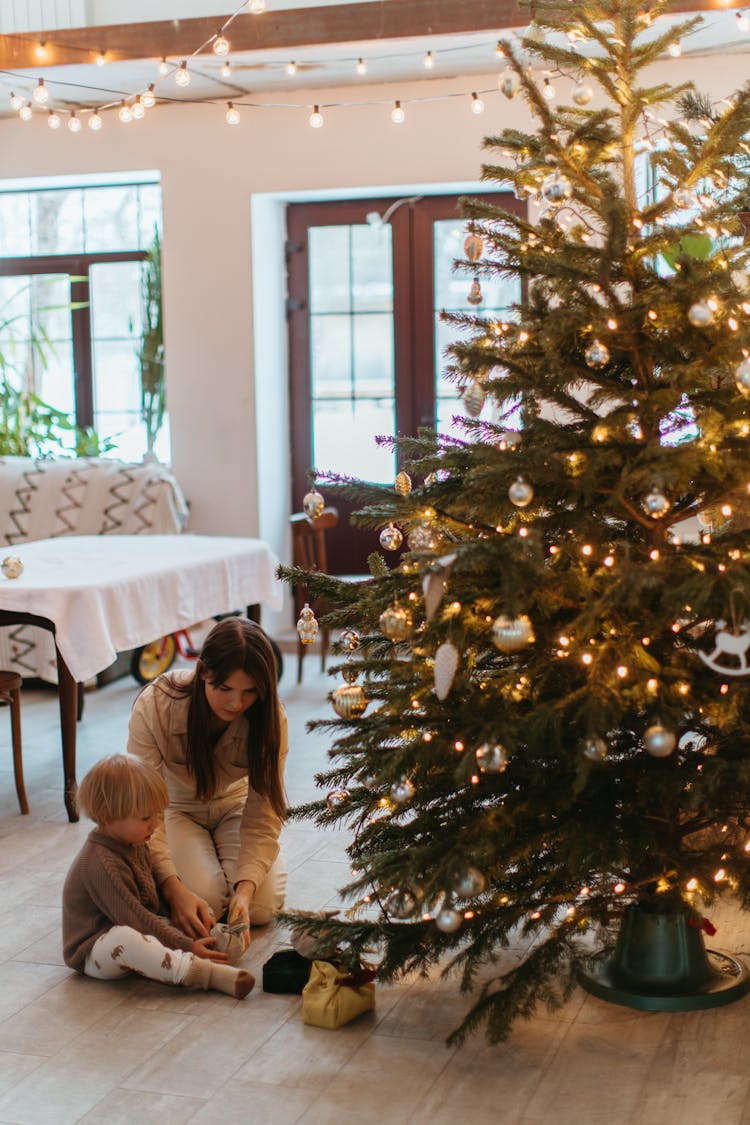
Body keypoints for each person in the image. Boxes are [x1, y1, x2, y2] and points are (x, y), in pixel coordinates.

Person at [126, 616, 288, 944]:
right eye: (224, 688)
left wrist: (245, 892)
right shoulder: (156, 704)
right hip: (173, 808)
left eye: (250, 691)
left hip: (234, 805)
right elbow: (144, 805)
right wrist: (172, 890)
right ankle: (204, 873)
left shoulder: (271, 719)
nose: (235, 703)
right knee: (205, 905)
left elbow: (264, 812)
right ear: (203, 672)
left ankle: (236, 878)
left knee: (258, 909)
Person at [62, 754, 255, 998]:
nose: (155, 825)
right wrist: (184, 944)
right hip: (95, 950)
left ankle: (200, 945)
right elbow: (135, 918)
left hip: (132, 927)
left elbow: (153, 901)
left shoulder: (135, 843)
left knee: (176, 920)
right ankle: (205, 974)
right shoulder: (101, 862)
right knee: (126, 938)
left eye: (156, 815)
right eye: (145, 818)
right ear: (109, 818)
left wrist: (187, 927)